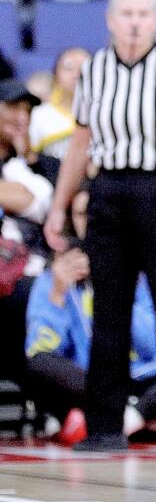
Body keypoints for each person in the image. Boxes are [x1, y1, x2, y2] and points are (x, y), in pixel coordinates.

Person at [43, 0, 156, 453]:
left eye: (145, 14)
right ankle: (104, 428)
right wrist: (60, 206)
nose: (136, 22)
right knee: (110, 314)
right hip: (110, 191)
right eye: (127, 14)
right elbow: (80, 145)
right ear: (110, 19)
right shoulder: (95, 69)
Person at [25, 187, 156, 445]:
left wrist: (119, 290)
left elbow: (153, 343)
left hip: (149, 378)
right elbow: (41, 348)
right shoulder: (52, 278)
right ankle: (152, 416)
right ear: (73, 222)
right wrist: (57, 297)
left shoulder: (145, 272)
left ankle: (129, 419)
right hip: (93, 380)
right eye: (83, 215)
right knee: (38, 363)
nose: (92, 223)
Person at [1, 79, 52, 391]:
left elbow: (38, 202)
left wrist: (23, 163)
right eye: (12, 108)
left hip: (34, 269)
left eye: (27, 111)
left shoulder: (45, 166)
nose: (21, 117)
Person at [29, 48, 89, 160]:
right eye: (69, 68)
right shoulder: (38, 116)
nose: (76, 75)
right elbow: (29, 158)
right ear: (55, 75)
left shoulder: (106, 114)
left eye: (83, 69)